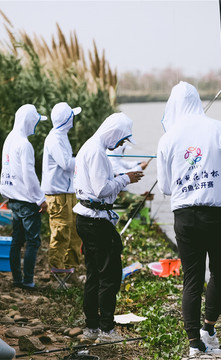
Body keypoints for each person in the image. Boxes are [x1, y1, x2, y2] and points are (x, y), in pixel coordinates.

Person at [156, 81, 221, 356]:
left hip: (184, 218)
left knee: (192, 279)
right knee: (220, 272)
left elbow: (165, 188)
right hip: (216, 216)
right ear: (198, 101)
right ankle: (209, 329)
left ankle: (194, 345)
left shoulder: (168, 138)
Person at [73, 112, 144, 342]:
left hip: (86, 218)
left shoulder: (90, 147)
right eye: (122, 140)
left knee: (94, 274)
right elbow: (102, 189)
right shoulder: (96, 151)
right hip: (95, 221)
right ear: (114, 133)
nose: (121, 144)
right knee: (110, 275)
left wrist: (121, 176)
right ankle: (106, 330)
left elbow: (98, 185)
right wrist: (126, 179)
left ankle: (92, 326)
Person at [0, 104, 49, 289]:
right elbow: (29, 175)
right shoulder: (25, 144)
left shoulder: (10, 139)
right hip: (27, 201)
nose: (36, 126)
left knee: (16, 241)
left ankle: (17, 279)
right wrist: (40, 199)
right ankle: (28, 280)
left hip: (12, 199)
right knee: (33, 241)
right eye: (35, 122)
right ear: (29, 122)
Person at [41, 102, 83, 272]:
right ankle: (56, 269)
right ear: (67, 119)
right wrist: (84, 159)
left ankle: (70, 267)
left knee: (74, 230)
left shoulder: (61, 136)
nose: (74, 118)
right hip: (58, 194)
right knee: (60, 231)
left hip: (67, 192)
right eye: (72, 116)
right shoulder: (55, 139)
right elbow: (66, 163)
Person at [107, 143, 150, 219]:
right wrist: (140, 167)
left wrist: (139, 163)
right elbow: (124, 174)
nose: (123, 151)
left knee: (142, 198)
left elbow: (127, 164)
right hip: (116, 194)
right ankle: (123, 221)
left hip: (121, 192)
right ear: (119, 149)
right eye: (123, 149)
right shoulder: (111, 160)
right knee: (140, 200)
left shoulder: (115, 159)